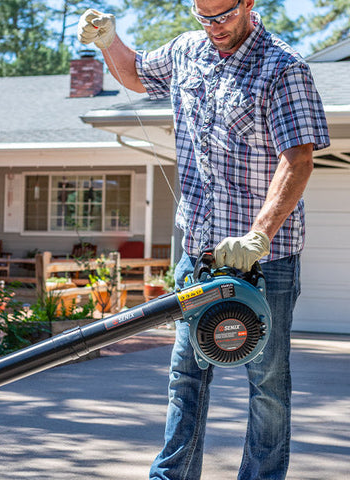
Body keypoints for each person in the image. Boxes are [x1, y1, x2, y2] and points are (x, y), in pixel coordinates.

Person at [78, 1, 330, 479]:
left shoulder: (283, 67)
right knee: (186, 374)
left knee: (268, 383)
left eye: (224, 15)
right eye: (204, 16)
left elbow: (298, 160)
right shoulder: (186, 52)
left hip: (266, 259)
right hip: (198, 253)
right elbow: (134, 74)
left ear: (249, 3)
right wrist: (110, 40)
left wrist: (258, 235)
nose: (214, 27)